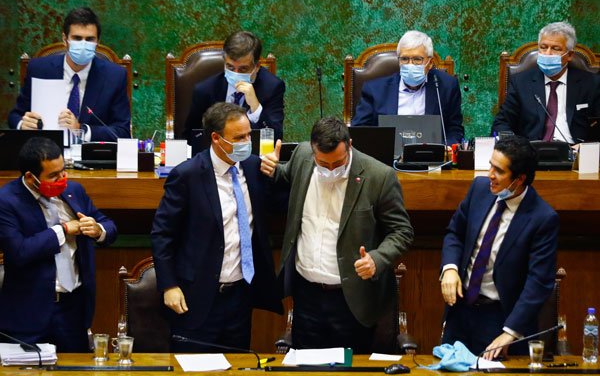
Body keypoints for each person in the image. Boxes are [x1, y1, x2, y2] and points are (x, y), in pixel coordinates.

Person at [260, 117, 413, 353]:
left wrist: (377, 258)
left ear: (349, 145)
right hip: (306, 296)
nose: (331, 170)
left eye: (338, 163)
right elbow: (285, 176)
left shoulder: (379, 176)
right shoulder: (302, 156)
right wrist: (271, 168)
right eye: (323, 163)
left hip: (351, 299)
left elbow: (402, 231)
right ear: (312, 151)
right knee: (307, 368)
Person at [152, 102, 282, 352]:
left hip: (240, 297)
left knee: (237, 366)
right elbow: (162, 235)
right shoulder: (187, 175)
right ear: (216, 138)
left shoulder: (255, 168)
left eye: (248, 135)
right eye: (239, 137)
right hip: (196, 297)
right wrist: (169, 285)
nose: (247, 142)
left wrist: (279, 174)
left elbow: (279, 204)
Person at [440, 135, 557, 359]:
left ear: (519, 179)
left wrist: (510, 332)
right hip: (461, 310)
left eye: (499, 171)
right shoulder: (479, 189)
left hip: (499, 318)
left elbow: (539, 282)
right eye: (491, 165)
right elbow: (455, 232)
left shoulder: (542, 218)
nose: (490, 175)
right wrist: (450, 268)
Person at [0, 137, 117, 352]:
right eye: (53, 176)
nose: (62, 178)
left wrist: (98, 229)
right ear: (30, 177)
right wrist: (62, 231)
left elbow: (109, 225)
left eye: (63, 171)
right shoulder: (7, 201)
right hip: (29, 313)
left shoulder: (74, 191)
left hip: (73, 310)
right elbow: (19, 252)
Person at [8, 7, 131, 142]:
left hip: (90, 156)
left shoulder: (114, 76)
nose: (83, 44)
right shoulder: (39, 69)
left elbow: (122, 131)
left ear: (98, 42)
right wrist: (22, 124)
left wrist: (81, 129)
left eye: (89, 39)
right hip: (46, 152)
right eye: (77, 38)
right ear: (64, 39)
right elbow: (15, 115)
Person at [492, 21, 600, 143]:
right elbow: (502, 123)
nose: (547, 53)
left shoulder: (591, 84)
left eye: (555, 48)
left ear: (569, 55)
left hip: (575, 154)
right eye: (543, 47)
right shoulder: (521, 82)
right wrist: (516, 149)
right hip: (531, 153)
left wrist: (585, 148)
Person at [351, 30, 464, 145]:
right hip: (386, 159)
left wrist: (446, 149)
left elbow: (454, 129)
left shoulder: (447, 86)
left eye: (417, 59)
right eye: (404, 59)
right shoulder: (374, 90)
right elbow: (360, 130)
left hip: (432, 158)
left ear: (430, 63)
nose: (410, 64)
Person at [183, 31, 285, 143]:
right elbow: (190, 136)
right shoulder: (205, 90)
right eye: (230, 67)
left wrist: (255, 108)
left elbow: (275, 139)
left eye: (243, 69)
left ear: (257, 66)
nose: (236, 73)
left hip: (253, 156)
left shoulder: (272, 87)